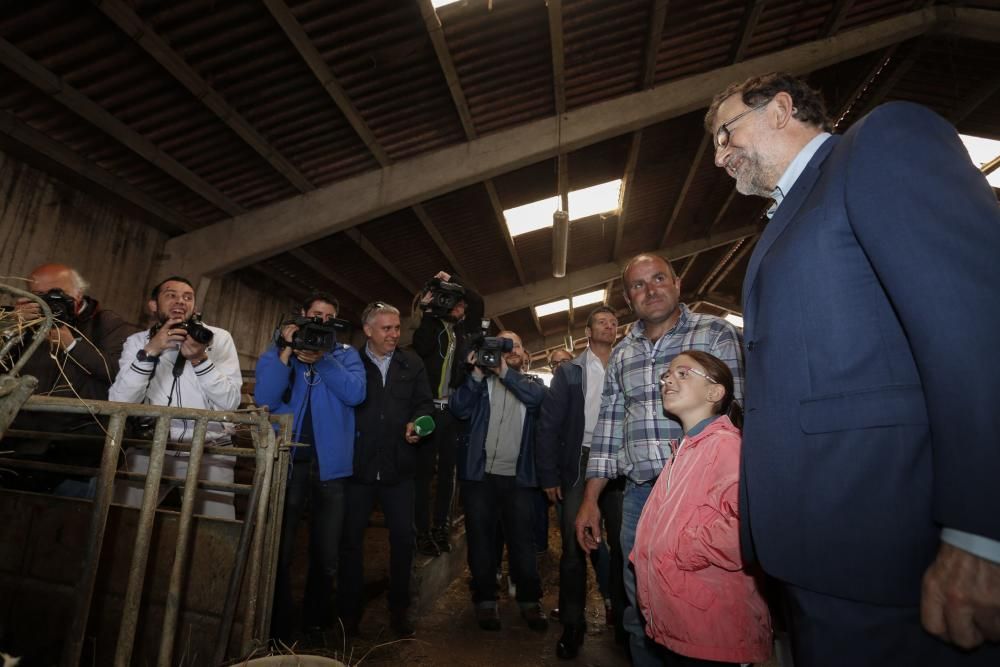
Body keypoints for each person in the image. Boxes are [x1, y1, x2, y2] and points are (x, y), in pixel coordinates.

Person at [705, 71, 1000, 665]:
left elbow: (975, 322)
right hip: (820, 548)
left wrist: (981, 529)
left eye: (725, 132)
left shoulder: (881, 144)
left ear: (782, 109)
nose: (719, 156)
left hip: (892, 544)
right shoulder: (790, 212)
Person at [574, 253, 744, 666]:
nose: (650, 290)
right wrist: (591, 499)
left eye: (658, 279)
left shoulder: (715, 333)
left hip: (703, 497)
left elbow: (740, 412)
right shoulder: (622, 353)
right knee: (641, 608)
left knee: (700, 604)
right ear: (628, 298)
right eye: (637, 285)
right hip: (640, 497)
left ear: (677, 283)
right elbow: (609, 428)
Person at [631, 351, 771, 666]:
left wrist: (682, 549)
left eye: (683, 373)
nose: (667, 379)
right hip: (681, 619)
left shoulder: (725, 446)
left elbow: (747, 527)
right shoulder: (684, 450)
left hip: (712, 625)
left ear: (714, 392)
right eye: (666, 375)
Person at [254, 291, 366, 640]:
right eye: (315, 315)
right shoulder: (278, 353)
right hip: (289, 461)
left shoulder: (345, 356)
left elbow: (356, 394)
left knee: (326, 550)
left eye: (328, 318)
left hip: (331, 466)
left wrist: (323, 359)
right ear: (302, 314)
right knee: (280, 546)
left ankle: (316, 620)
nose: (320, 322)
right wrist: (286, 352)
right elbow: (265, 399)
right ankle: (278, 622)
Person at [338, 301, 433, 639]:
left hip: (399, 467)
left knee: (403, 540)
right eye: (387, 328)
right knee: (350, 541)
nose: (395, 334)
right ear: (368, 330)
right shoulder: (350, 362)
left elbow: (424, 404)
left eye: (396, 328)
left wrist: (419, 425)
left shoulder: (411, 362)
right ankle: (348, 613)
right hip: (357, 467)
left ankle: (399, 609)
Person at [110, 276, 241, 518]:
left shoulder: (218, 339)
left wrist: (200, 360)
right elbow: (120, 401)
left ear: (195, 307)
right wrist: (151, 351)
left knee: (216, 528)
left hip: (209, 451)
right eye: (170, 295)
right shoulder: (137, 342)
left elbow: (230, 402)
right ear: (153, 305)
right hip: (149, 448)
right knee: (124, 521)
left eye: (187, 297)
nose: (180, 301)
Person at [537, 306, 626, 659]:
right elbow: (548, 424)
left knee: (622, 545)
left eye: (614, 321)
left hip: (619, 463)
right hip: (579, 462)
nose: (610, 324)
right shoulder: (571, 371)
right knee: (573, 549)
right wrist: (548, 475)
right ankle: (573, 624)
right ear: (587, 332)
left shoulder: (626, 364)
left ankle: (623, 620)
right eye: (602, 321)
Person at [5, 263, 136, 497]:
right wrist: (12, 325)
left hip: (77, 450)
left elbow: (122, 374)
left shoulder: (107, 324)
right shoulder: (21, 322)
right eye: (38, 296)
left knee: (70, 523)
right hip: (21, 444)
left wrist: (73, 345)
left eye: (56, 294)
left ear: (78, 294)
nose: (47, 303)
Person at [449, 330, 548, 633]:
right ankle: (485, 602)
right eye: (501, 346)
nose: (508, 350)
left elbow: (536, 400)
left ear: (523, 353)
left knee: (522, 543)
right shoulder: (479, 385)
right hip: (480, 477)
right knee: (481, 542)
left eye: (514, 345)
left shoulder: (532, 383)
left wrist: (503, 371)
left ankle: (530, 603)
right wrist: (477, 374)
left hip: (518, 479)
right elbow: (458, 408)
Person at [411, 271, 484, 556]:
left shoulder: (465, 331)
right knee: (423, 472)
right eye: (453, 302)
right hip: (429, 408)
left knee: (447, 475)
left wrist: (452, 280)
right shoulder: (431, 326)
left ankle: (441, 527)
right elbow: (421, 348)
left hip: (453, 411)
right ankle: (421, 531)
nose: (459, 307)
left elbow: (477, 301)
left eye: (461, 303)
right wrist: (428, 311)